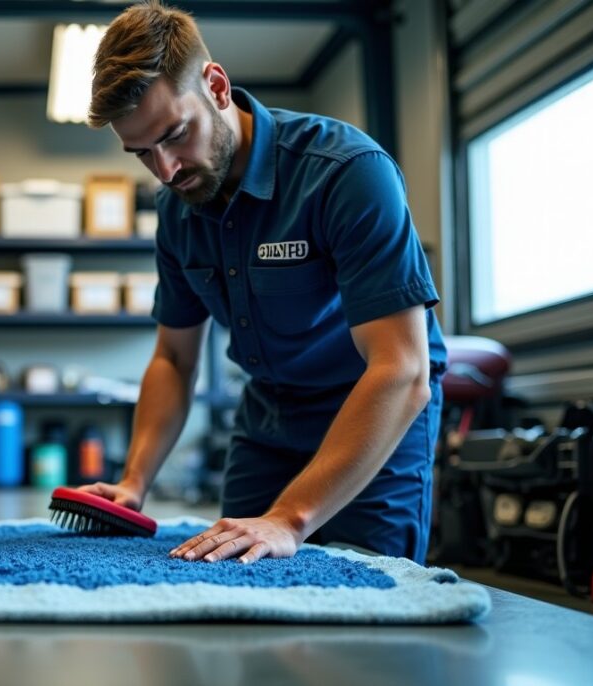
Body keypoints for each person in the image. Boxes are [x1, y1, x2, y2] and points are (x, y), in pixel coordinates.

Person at [77, 0, 447, 564]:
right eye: (142, 153)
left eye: (176, 135)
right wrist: (134, 482)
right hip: (270, 414)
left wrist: (288, 519)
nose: (166, 170)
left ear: (217, 86)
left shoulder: (346, 173)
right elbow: (174, 360)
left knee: (371, 600)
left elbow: (402, 369)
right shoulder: (176, 211)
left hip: (374, 407)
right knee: (234, 580)